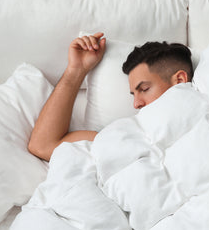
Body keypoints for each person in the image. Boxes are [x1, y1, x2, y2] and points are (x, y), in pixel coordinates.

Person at [27, 32, 194, 161]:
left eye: (144, 89)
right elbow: (43, 145)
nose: (136, 104)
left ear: (179, 80)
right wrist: (76, 70)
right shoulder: (129, 135)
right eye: (133, 94)